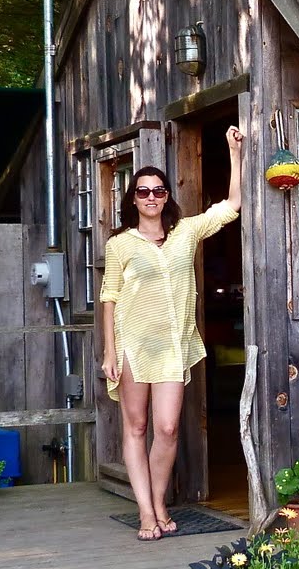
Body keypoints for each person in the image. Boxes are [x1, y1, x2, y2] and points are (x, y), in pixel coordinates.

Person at [99, 126, 243, 540]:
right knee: (136, 427)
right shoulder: (120, 244)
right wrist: (110, 352)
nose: (151, 198)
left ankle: (160, 500)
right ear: (133, 199)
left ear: (166, 196)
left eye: (157, 191)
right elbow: (109, 299)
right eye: (142, 192)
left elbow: (232, 205)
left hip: (173, 348)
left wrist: (234, 152)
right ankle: (146, 512)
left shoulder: (186, 232)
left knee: (166, 429)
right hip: (132, 347)